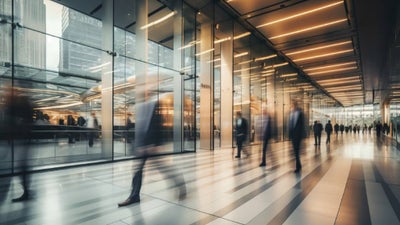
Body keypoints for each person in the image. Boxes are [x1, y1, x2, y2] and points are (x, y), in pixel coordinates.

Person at [118, 96, 186, 207]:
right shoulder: (140, 108)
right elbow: (139, 129)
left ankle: (180, 185)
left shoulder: (154, 105)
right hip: (141, 147)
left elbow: (160, 126)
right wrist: (137, 146)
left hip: (151, 146)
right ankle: (134, 196)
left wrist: (155, 144)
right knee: (137, 171)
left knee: (164, 168)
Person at [1, 87, 34, 201]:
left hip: (20, 140)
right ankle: (26, 191)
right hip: (16, 140)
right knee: (20, 167)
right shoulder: (13, 104)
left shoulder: (20, 103)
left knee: (21, 167)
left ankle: (26, 192)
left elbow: (23, 121)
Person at [289, 100, 305, 173]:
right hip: (293, 136)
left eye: (292, 105)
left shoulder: (300, 114)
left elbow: (302, 125)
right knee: (295, 151)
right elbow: (290, 125)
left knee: (296, 151)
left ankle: (298, 167)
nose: (291, 106)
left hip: (298, 136)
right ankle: (299, 165)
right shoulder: (291, 114)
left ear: (295, 105)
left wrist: (303, 135)